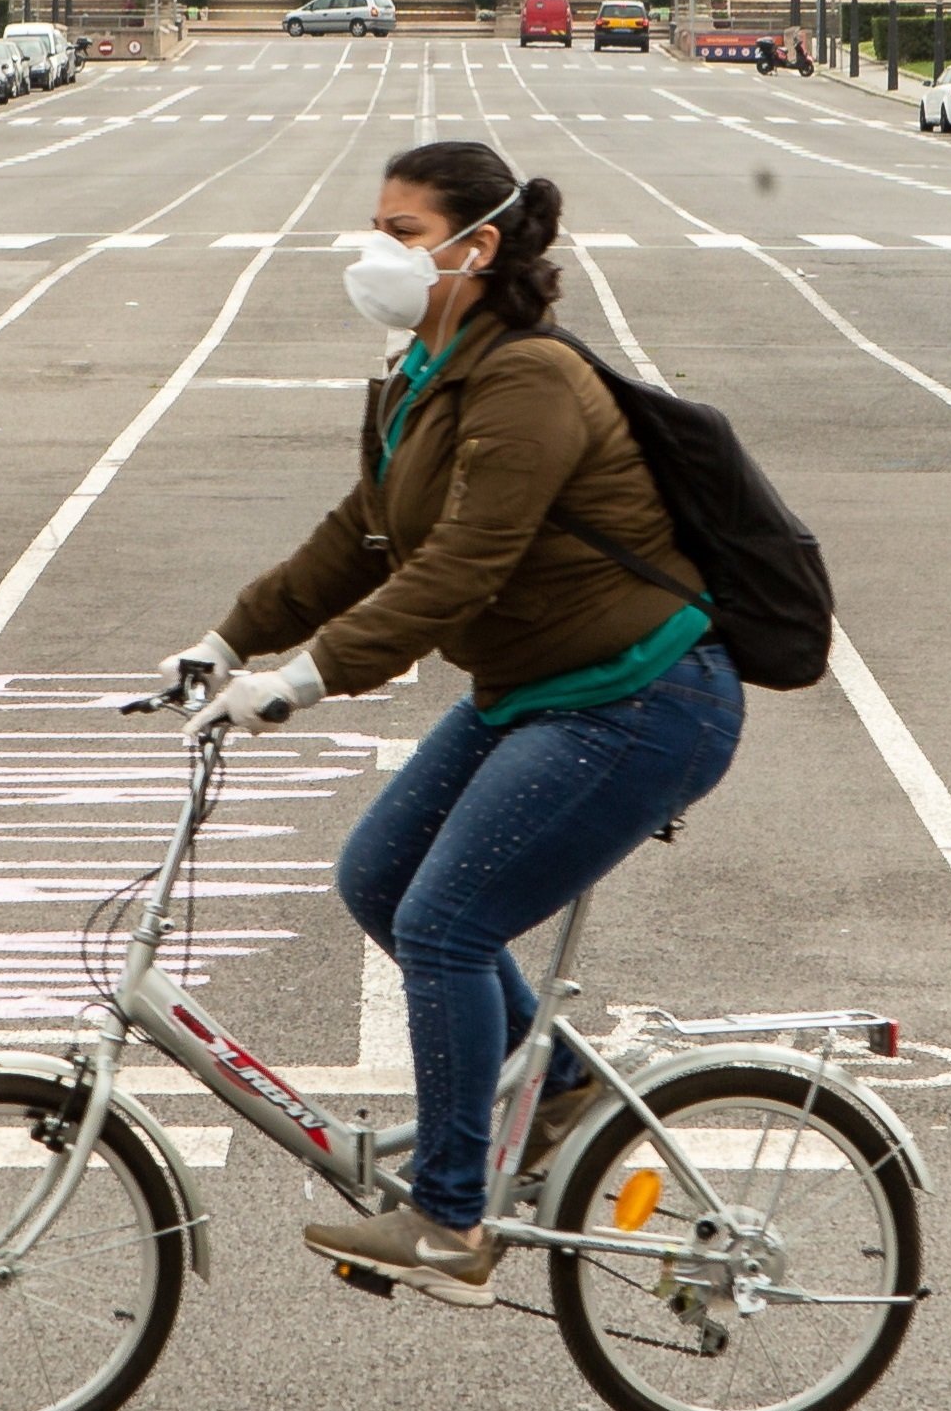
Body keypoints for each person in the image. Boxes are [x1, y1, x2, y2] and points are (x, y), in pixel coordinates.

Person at [163, 140, 738, 1302]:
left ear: (478, 248)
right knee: (377, 878)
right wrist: (229, 639)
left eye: (406, 232)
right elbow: (360, 533)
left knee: (445, 923)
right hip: (535, 689)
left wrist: (306, 678)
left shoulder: (526, 381)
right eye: (379, 225)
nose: (378, 251)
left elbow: (464, 568)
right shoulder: (420, 367)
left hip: (640, 696)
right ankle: (560, 1088)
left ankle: (452, 1219)